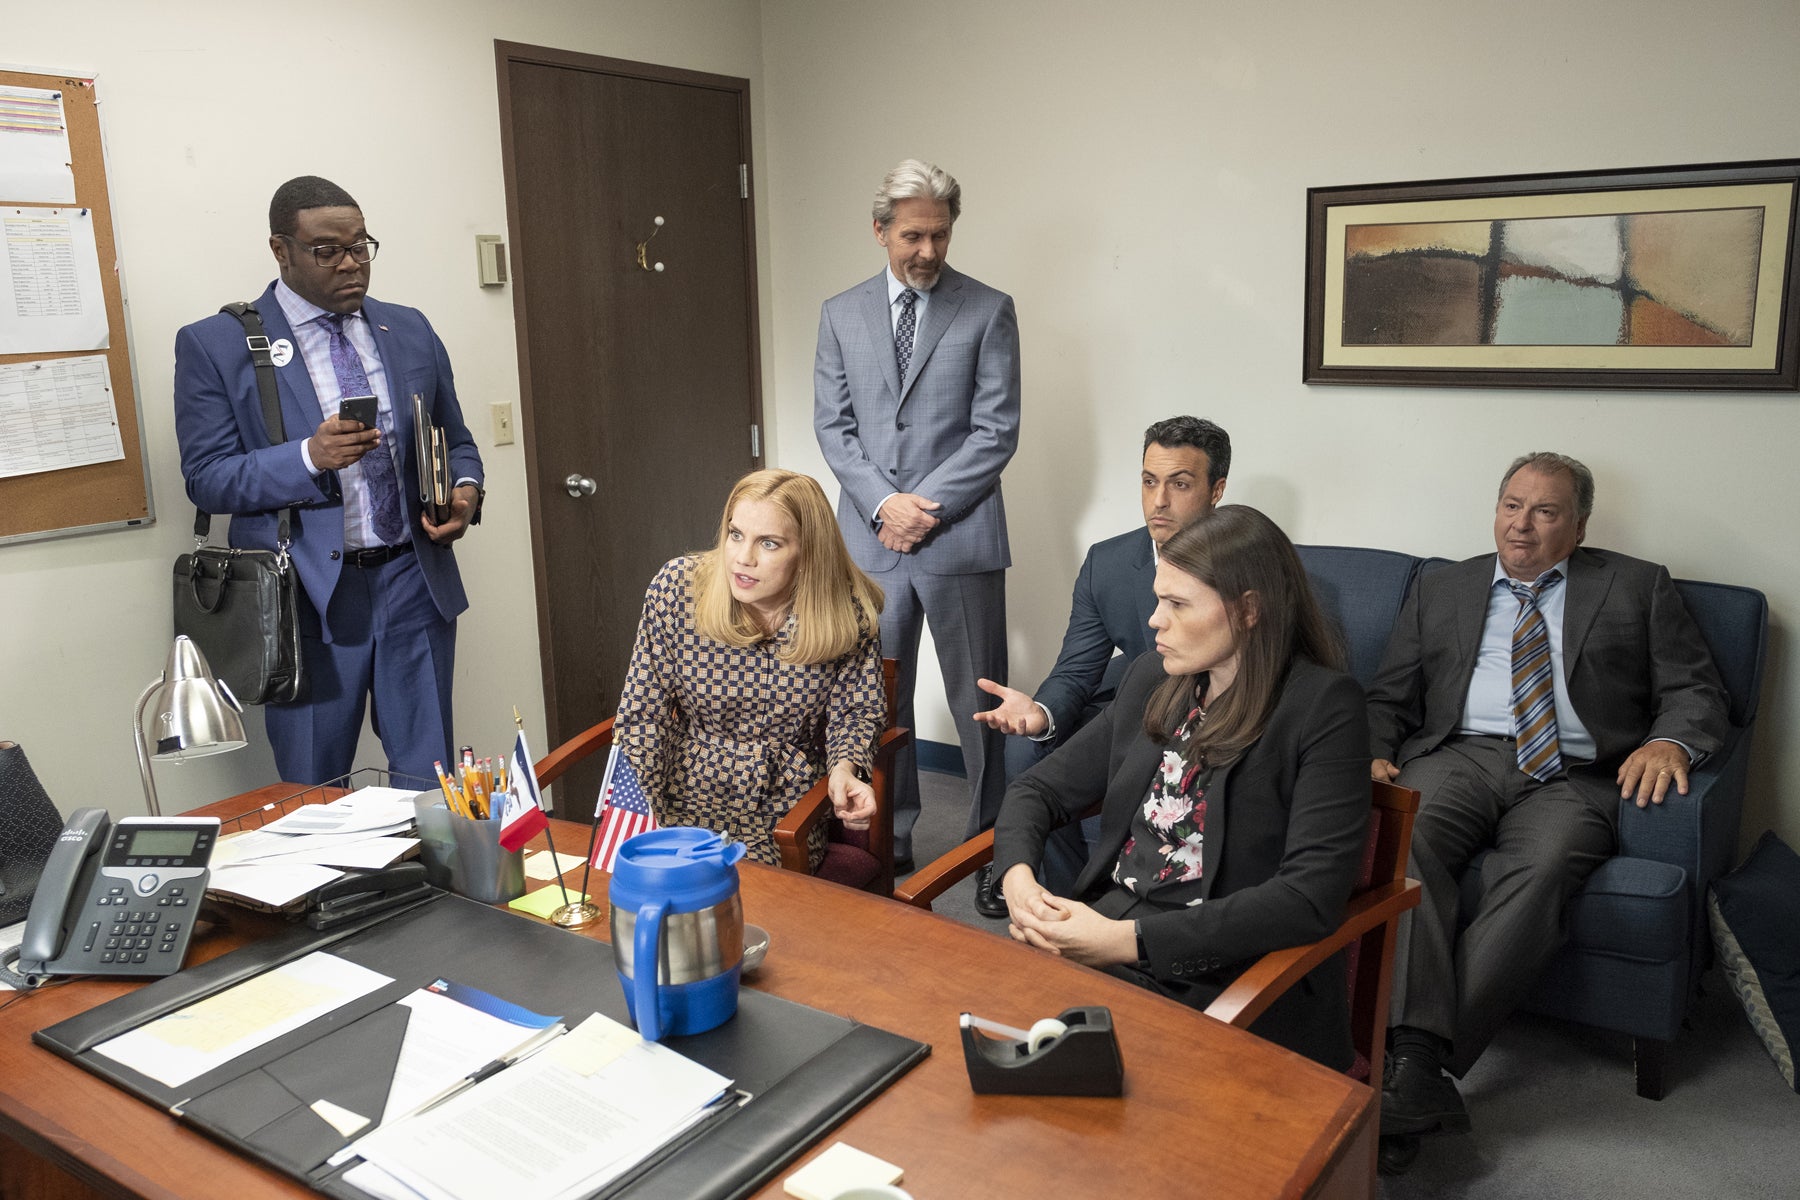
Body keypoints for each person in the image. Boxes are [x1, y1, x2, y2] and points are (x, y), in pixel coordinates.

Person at [1367, 452, 1728, 1136]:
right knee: (1400, 840)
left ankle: (1416, 1067)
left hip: (1576, 773)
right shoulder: (1445, 586)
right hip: (1460, 755)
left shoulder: (1637, 586)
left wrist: (1669, 742)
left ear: (1580, 525)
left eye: (1544, 511)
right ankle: (1419, 1067)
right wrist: (1373, 751)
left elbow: (1696, 689)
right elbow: (1389, 694)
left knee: (1544, 868)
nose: (1521, 526)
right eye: (1511, 505)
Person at [992, 507, 1370, 1068]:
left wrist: (1123, 943)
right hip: (1106, 929)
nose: (1154, 621)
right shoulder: (1154, 678)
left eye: (1177, 604)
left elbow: (1305, 899)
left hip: (1223, 971)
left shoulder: (1322, 707)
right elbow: (1037, 791)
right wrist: (1018, 881)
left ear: (1247, 610)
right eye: (1158, 599)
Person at [174, 176, 484, 787]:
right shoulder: (216, 344)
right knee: (316, 789)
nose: (350, 265)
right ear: (280, 250)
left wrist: (466, 491)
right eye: (326, 250)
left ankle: (435, 881)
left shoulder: (409, 328)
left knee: (431, 779)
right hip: (307, 596)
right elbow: (206, 480)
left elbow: (457, 439)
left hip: (413, 581)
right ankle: (330, 889)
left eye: (360, 246)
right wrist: (308, 457)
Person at [814, 158, 1021, 873]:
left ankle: (995, 851)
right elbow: (834, 428)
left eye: (940, 235)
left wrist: (920, 512)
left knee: (982, 705)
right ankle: (883, 842)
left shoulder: (989, 309)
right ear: (880, 232)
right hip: (870, 548)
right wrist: (883, 505)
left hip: (960, 540)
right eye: (912, 236)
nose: (928, 251)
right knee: (871, 707)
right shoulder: (840, 314)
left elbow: (996, 431)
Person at [972, 415, 1231, 911]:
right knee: (1028, 749)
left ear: (1216, 489)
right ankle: (1068, 894)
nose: (1159, 501)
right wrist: (1041, 715)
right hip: (1133, 693)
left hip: (1209, 703)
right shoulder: (1108, 562)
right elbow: (1078, 667)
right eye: (1149, 481)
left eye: (1180, 484)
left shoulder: (1246, 559)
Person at [613, 469, 887, 868]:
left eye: (769, 543)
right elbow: (642, 717)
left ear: (809, 552)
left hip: (782, 806)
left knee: (741, 902)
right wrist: (635, 813)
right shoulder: (676, 588)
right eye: (735, 534)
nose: (743, 558)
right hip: (683, 789)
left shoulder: (846, 611)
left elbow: (856, 711)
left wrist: (846, 768)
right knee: (646, 887)